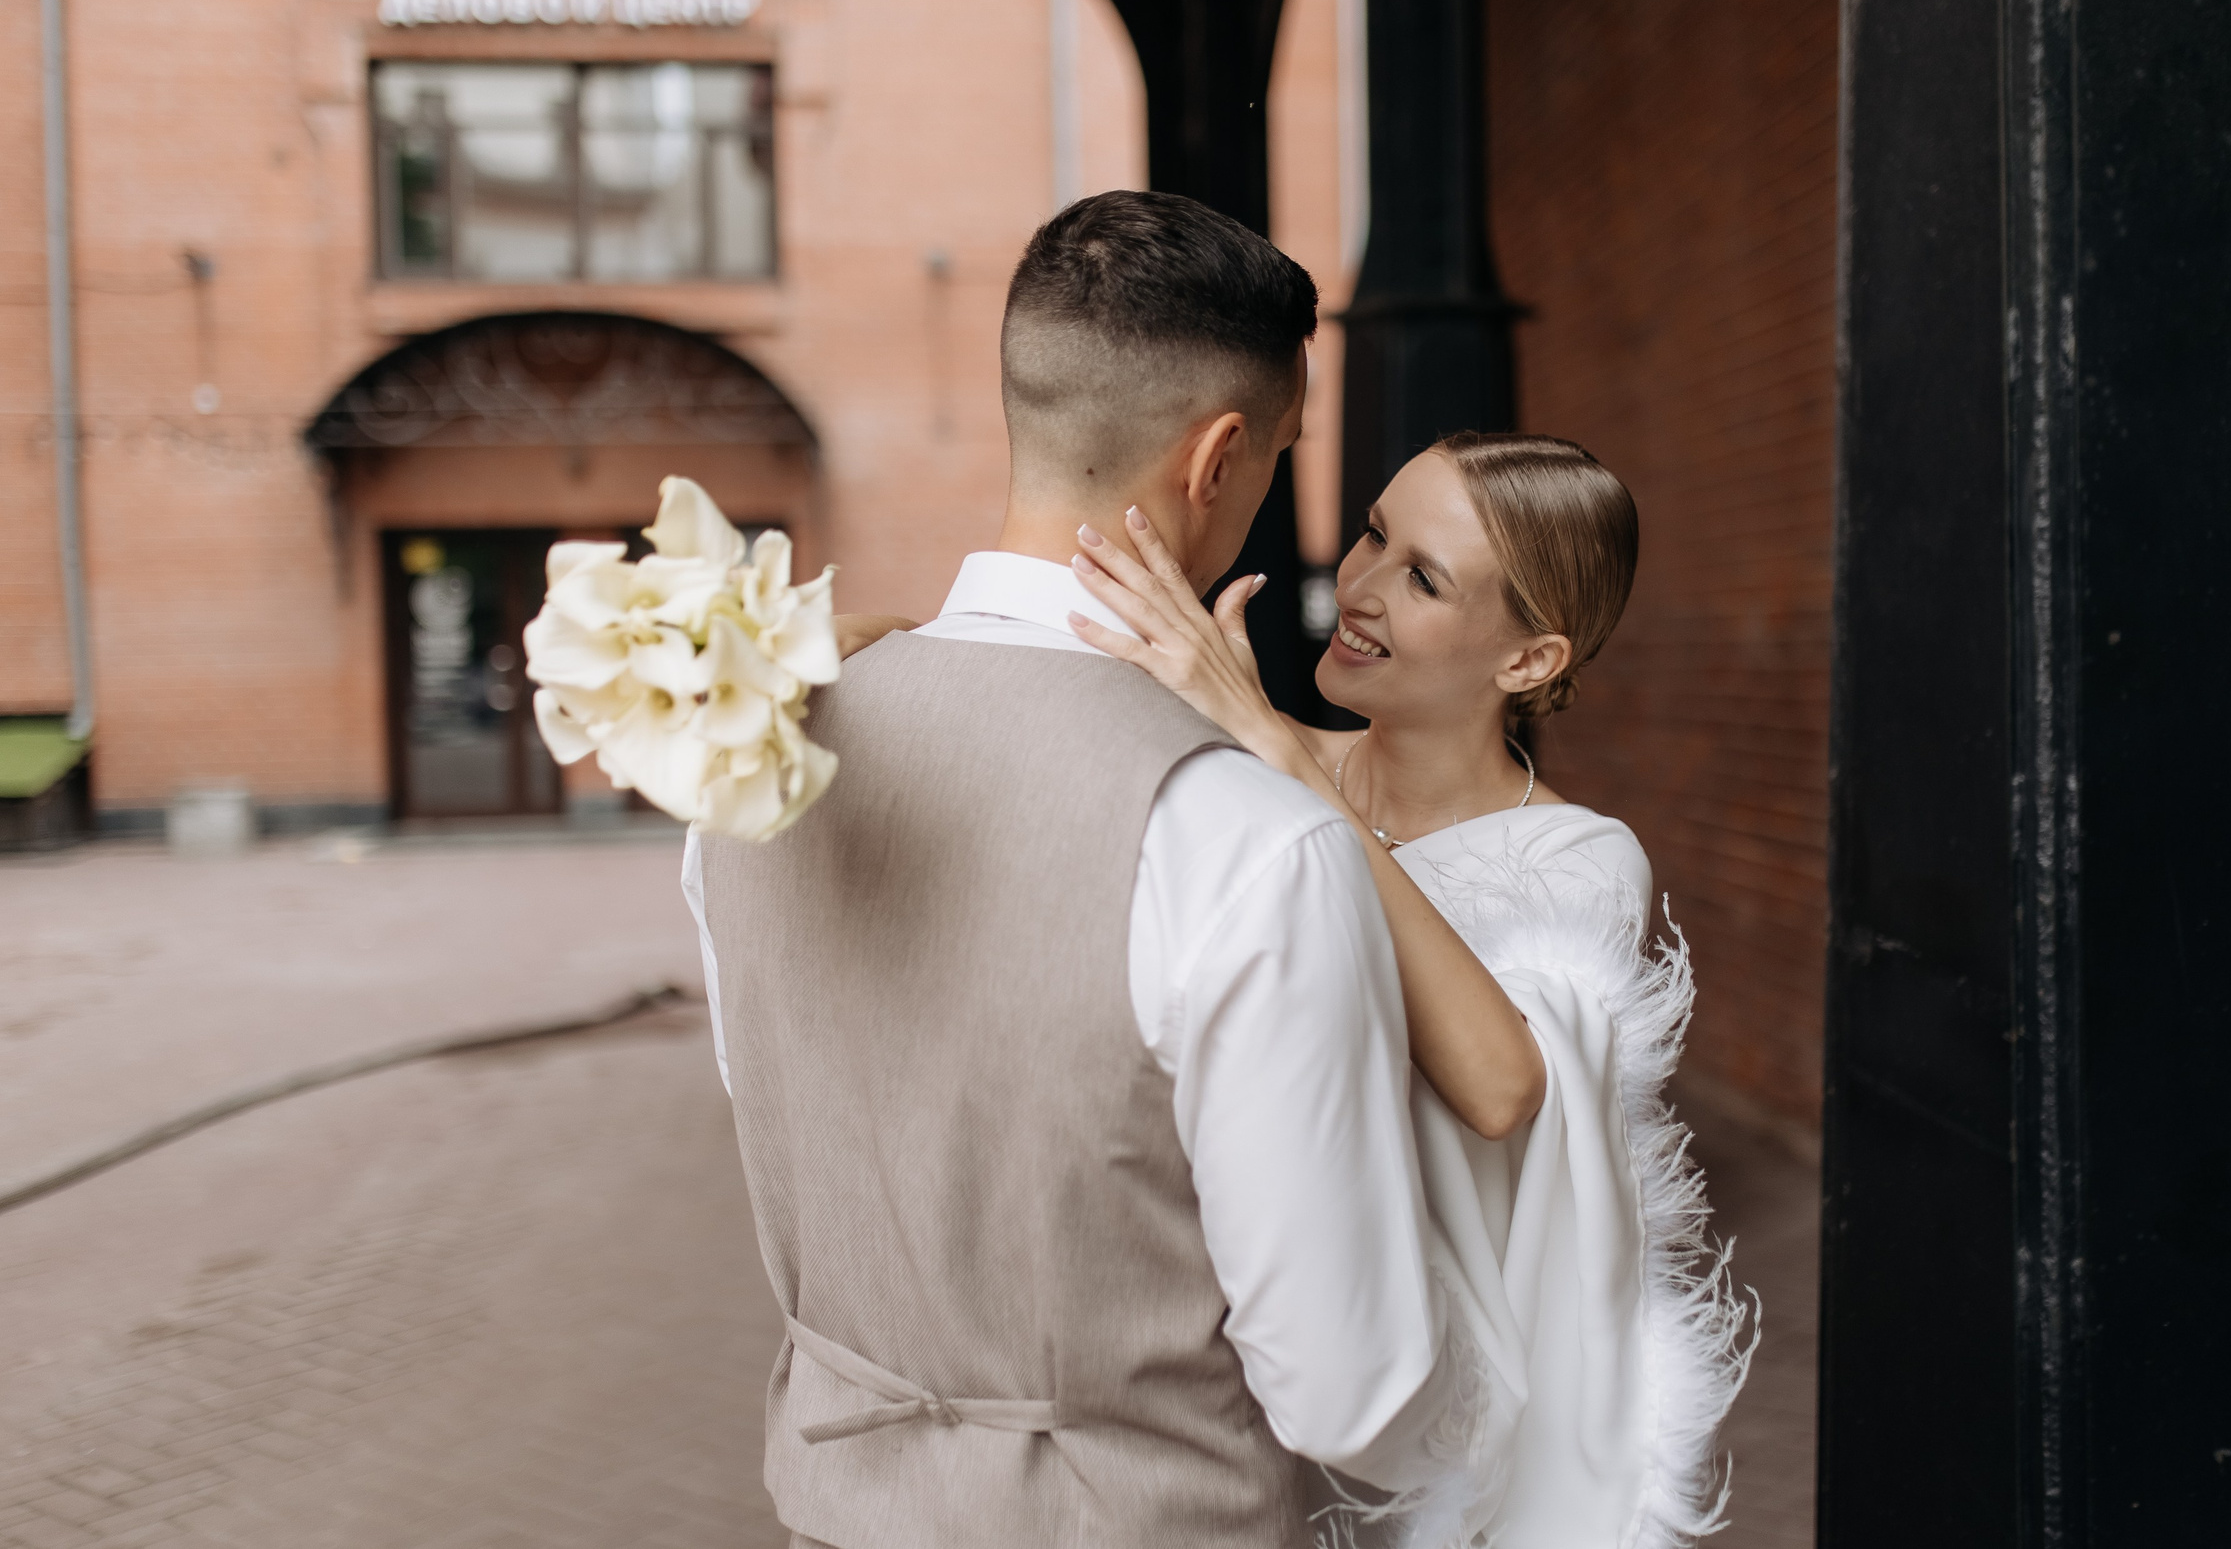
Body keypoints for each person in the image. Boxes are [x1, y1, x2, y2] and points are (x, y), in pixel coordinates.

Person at [685, 190, 1490, 1549]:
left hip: (829, 1509)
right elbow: (1348, 1386)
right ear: (1219, 455)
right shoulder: (1248, 837)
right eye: (1279, 455)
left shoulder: (746, 755)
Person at [838, 433, 1757, 1545]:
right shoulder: (1237, 750)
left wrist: (1268, 747)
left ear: (1528, 661)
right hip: (1203, 1361)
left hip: (1409, 1397)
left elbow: (1500, 1087)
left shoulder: (1579, 859)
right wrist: (876, 647)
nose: (1357, 589)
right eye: (1373, 532)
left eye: (1421, 578)